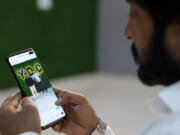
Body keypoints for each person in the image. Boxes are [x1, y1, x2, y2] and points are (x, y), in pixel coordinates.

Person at [1, 0, 180, 135]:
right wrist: (95, 130)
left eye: (135, 14)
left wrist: (25, 133)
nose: (127, 32)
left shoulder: (169, 128)